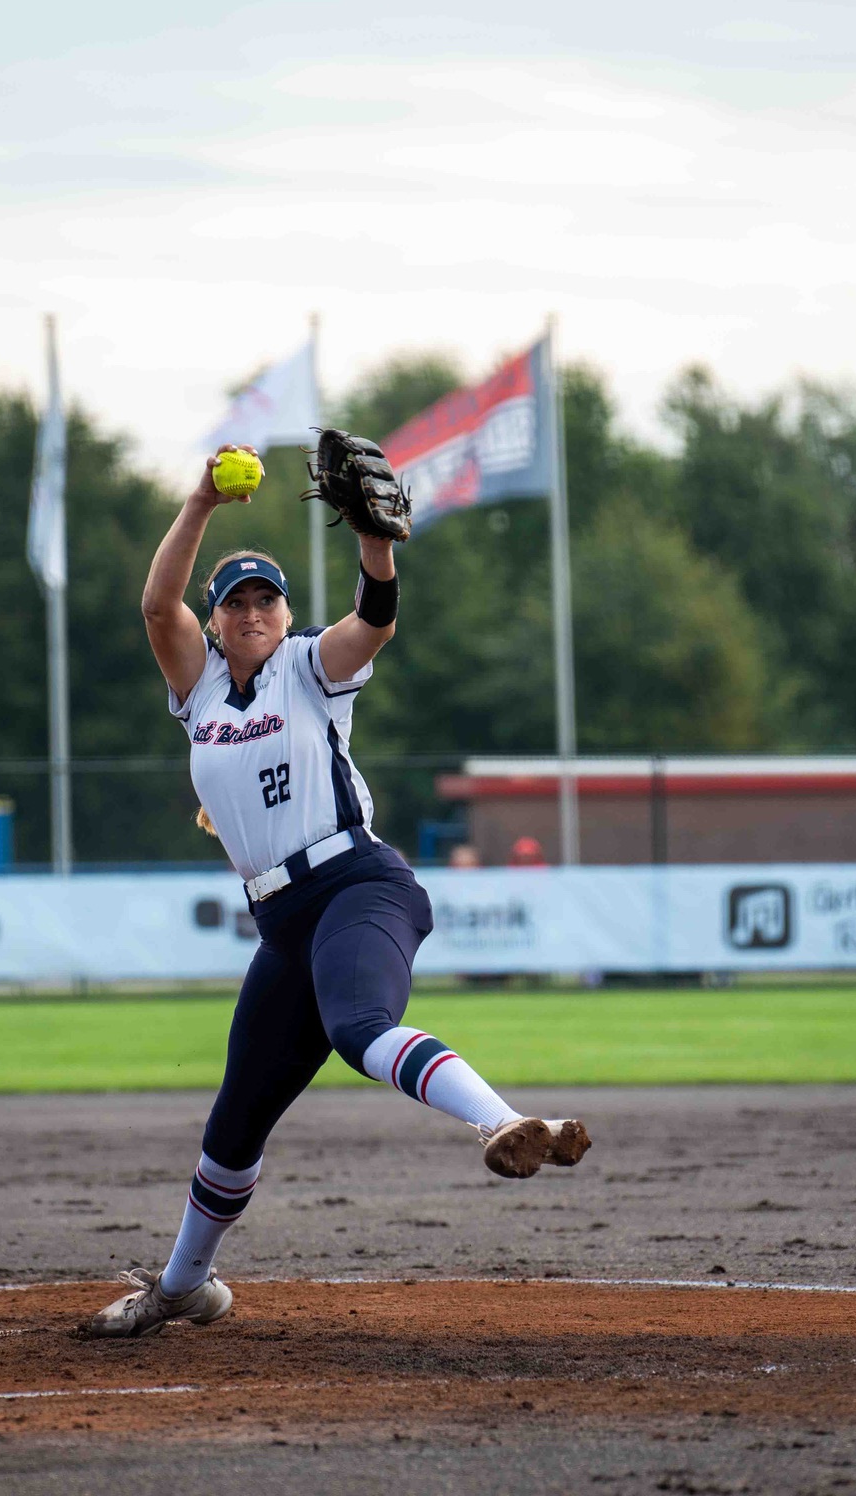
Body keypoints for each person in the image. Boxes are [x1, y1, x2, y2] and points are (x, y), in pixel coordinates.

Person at [82, 442, 592, 1338]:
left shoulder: (309, 665)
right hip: (281, 923)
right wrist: (199, 500)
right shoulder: (198, 690)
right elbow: (155, 602)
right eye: (235, 601)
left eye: (266, 598)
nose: (252, 611)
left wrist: (376, 548)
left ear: (285, 614)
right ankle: (181, 1289)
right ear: (216, 621)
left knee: (358, 1028)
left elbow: (376, 622)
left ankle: (508, 1123)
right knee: (235, 1124)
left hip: (359, 885)